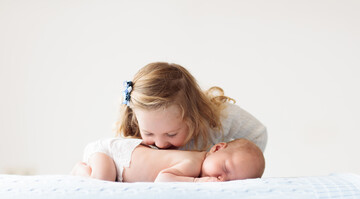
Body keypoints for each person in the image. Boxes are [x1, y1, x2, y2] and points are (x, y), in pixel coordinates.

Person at [86, 62, 267, 166]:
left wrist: (230, 165)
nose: (160, 143)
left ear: (194, 115)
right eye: (148, 133)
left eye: (171, 134)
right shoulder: (132, 133)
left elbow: (257, 133)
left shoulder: (217, 118)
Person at [71, 138, 265, 182]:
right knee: (101, 180)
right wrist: (199, 182)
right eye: (225, 167)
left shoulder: (199, 165)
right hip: (111, 154)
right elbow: (163, 179)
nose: (221, 178)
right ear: (216, 148)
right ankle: (80, 170)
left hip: (119, 167)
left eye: (231, 181)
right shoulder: (192, 163)